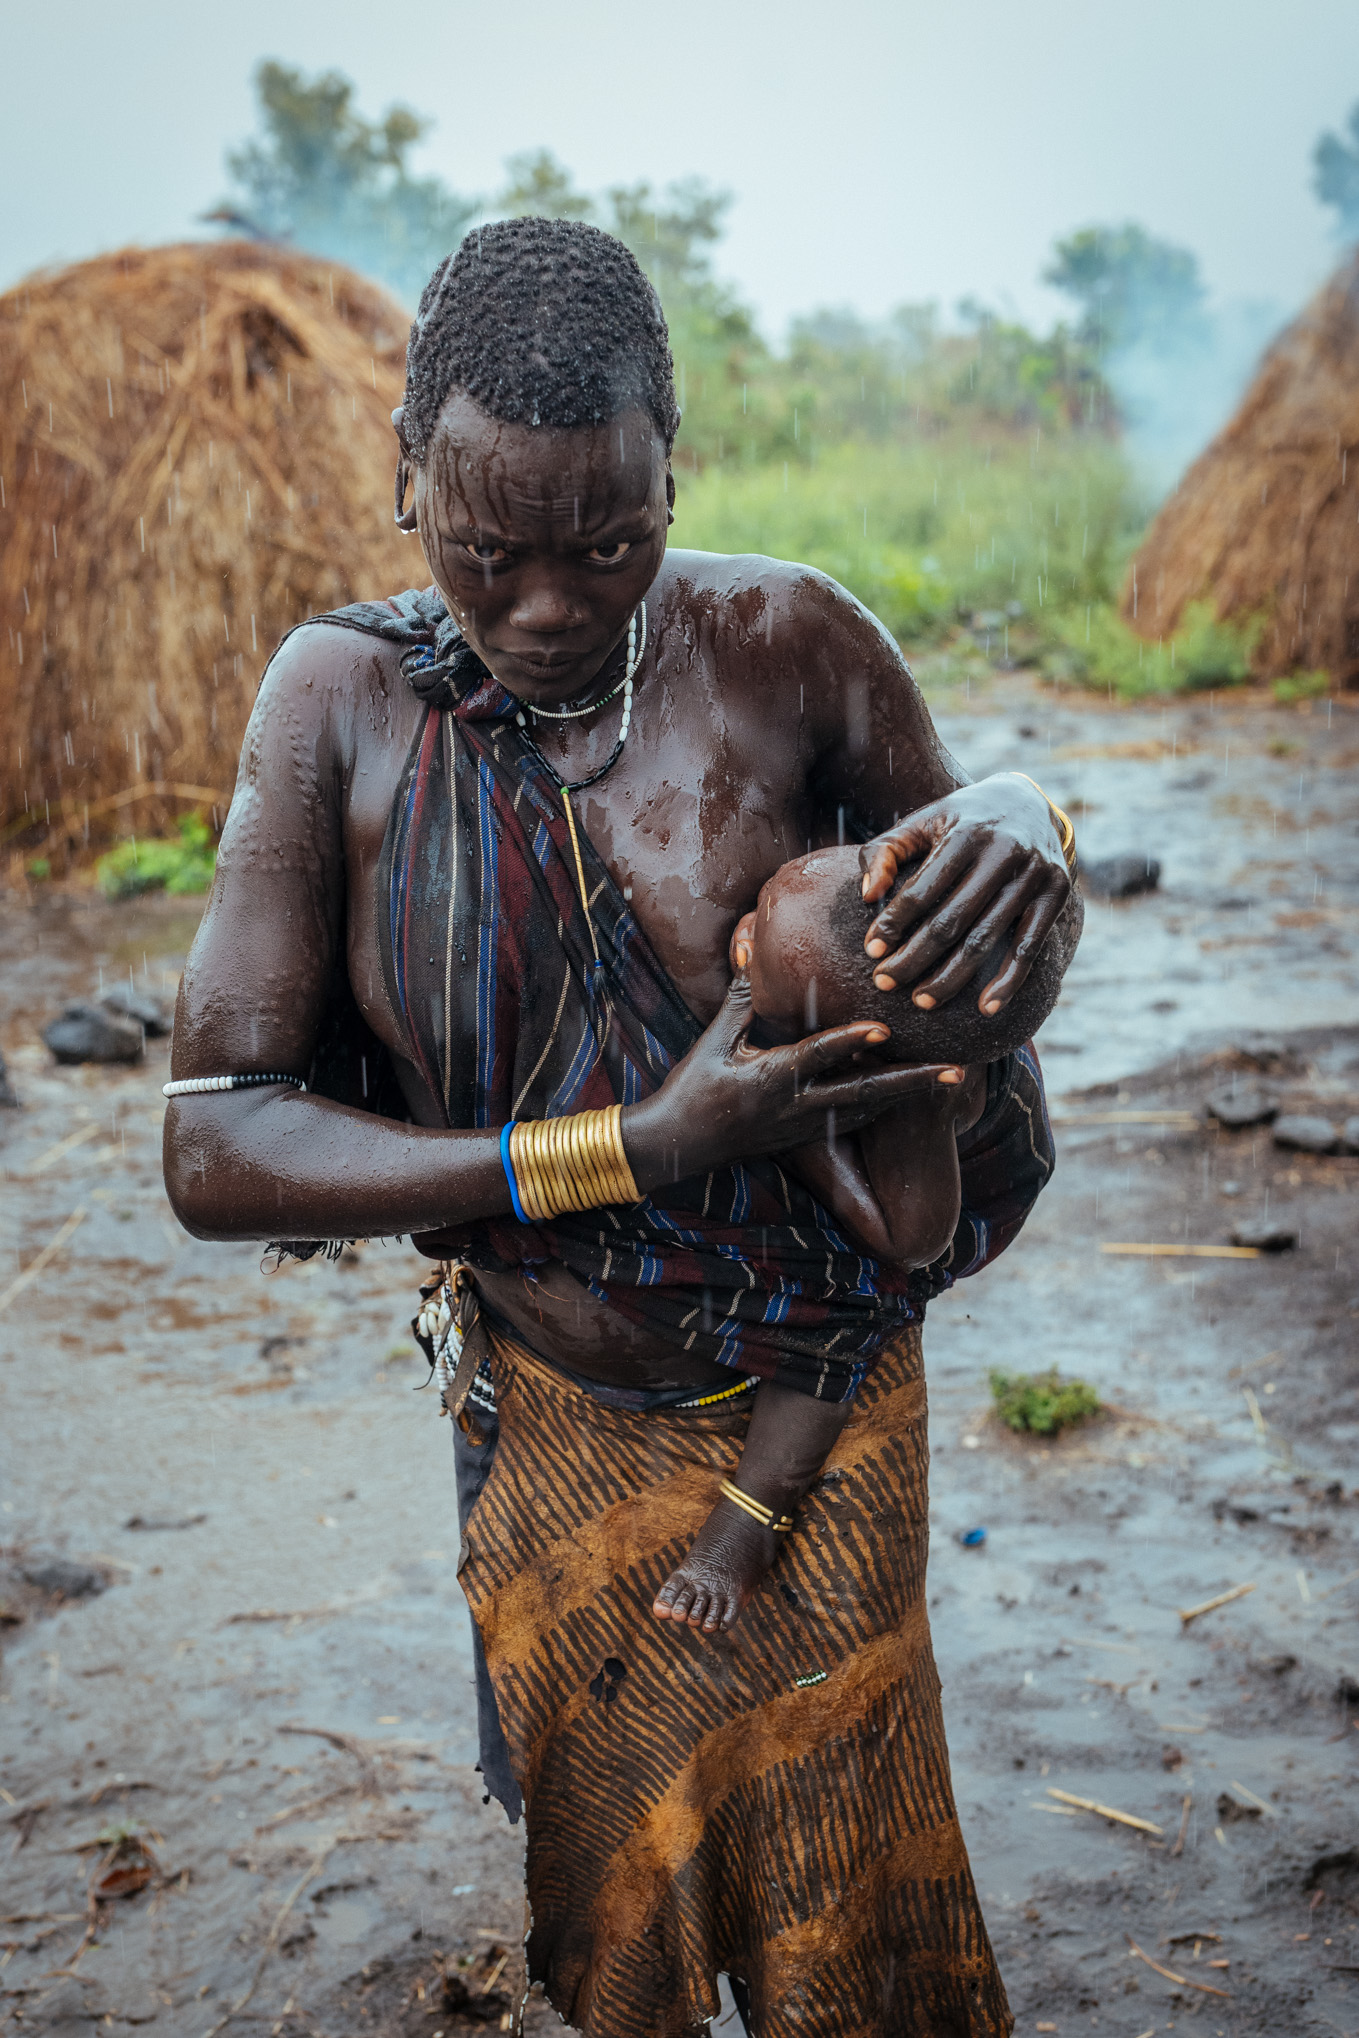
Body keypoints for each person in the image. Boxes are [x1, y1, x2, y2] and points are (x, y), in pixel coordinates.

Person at [164, 216, 1078, 2038]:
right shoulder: (336, 708)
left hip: (822, 1406)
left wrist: (1030, 834)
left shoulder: (793, 646)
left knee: (856, 1927)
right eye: (495, 549)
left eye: (613, 537)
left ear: (679, 467)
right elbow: (214, 1142)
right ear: (406, 476)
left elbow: (975, 982)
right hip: (554, 1411)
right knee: (618, 1909)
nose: (558, 604)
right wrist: (625, 1148)